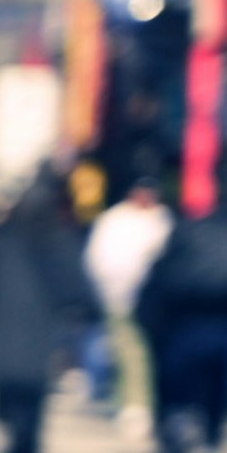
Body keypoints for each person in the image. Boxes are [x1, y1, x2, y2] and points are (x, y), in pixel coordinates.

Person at [139, 194, 227, 453]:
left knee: (179, 385)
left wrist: (151, 318)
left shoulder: (187, 231)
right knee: (217, 389)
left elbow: (162, 276)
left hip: (184, 322)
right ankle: (209, 444)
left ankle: (179, 432)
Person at [0, 166, 92, 453]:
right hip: (36, 318)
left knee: (15, 382)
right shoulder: (54, 233)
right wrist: (78, 306)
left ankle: (20, 442)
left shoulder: (10, 235)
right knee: (31, 384)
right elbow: (71, 277)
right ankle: (25, 443)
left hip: (14, 317)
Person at [84, 172, 173, 436]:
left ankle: (141, 403)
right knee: (128, 351)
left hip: (155, 299)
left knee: (143, 353)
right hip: (121, 295)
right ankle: (132, 404)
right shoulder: (116, 220)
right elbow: (100, 259)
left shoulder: (162, 218)